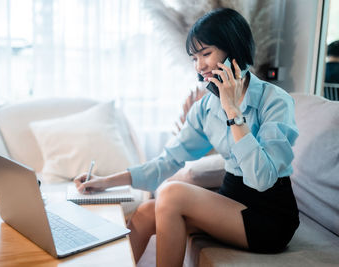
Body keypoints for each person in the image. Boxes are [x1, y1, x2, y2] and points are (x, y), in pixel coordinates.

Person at [75, 8, 300, 267]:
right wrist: (105, 182)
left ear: (233, 52)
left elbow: (262, 180)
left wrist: (233, 112)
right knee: (146, 212)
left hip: (268, 216)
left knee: (172, 194)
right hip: (230, 201)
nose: (199, 66)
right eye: (194, 57)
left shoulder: (275, 101)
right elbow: (168, 160)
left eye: (206, 54)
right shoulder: (206, 108)